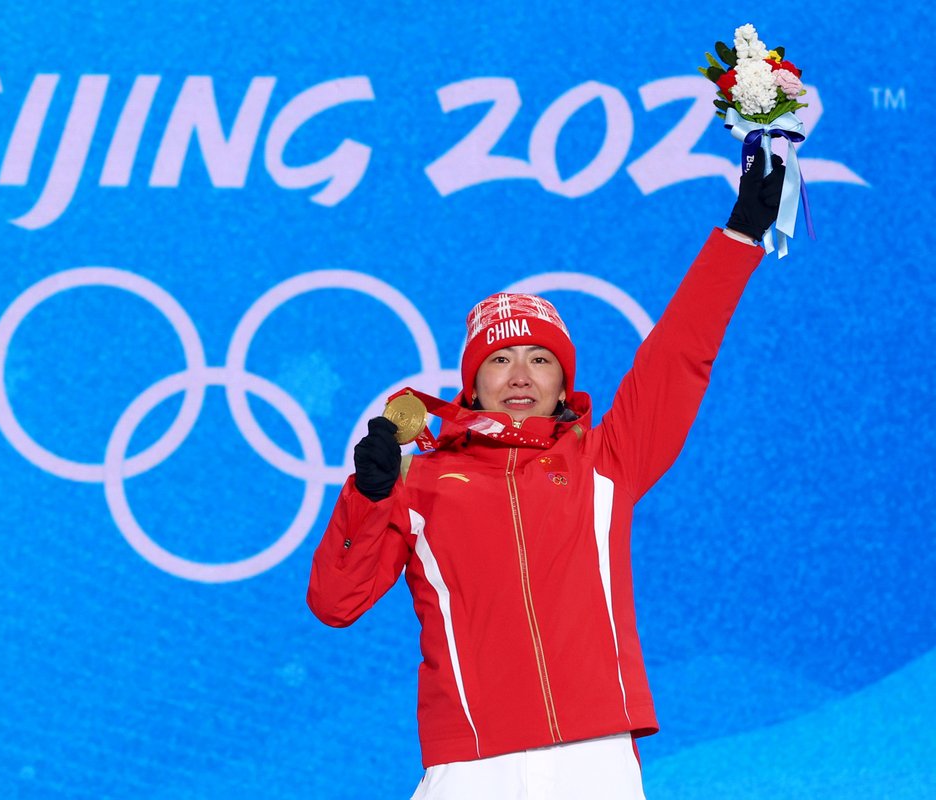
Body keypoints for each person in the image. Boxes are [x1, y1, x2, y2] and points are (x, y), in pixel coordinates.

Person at [306, 151, 788, 799]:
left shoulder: (606, 462)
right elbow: (335, 603)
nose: (521, 375)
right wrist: (367, 496)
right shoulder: (419, 483)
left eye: (540, 358)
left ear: (564, 379)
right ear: (472, 382)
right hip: (472, 766)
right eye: (500, 359)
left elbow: (680, 354)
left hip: (594, 761)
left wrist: (737, 239)